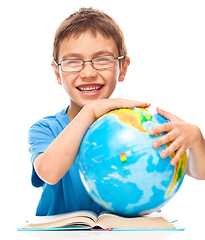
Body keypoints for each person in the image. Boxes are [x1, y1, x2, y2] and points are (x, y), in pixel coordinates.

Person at [28, 7, 205, 217]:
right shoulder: (45, 129)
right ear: (57, 73)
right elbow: (49, 172)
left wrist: (195, 139)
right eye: (73, 62)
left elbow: (198, 171)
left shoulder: (144, 126)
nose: (88, 72)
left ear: (123, 68)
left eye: (102, 59)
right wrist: (89, 112)